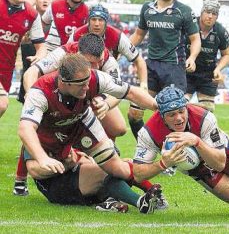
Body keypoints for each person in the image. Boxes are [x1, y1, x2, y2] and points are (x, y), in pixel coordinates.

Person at [18, 53, 162, 213]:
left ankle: (151, 192)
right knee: (102, 172)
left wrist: (160, 108)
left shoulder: (94, 78)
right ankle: (129, 199)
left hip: (81, 124)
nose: (87, 88)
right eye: (81, 84)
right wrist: (44, 158)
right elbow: (25, 129)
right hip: (51, 150)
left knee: (117, 167)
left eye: (88, 82)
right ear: (63, 82)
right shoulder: (40, 93)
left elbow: (131, 92)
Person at [133, 86, 229, 212]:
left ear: (186, 107)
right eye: (172, 115)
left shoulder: (204, 118)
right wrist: (163, 164)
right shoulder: (148, 133)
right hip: (199, 169)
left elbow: (220, 163)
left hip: (222, 153)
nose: (179, 118)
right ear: (161, 115)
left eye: (181, 111)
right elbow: (138, 174)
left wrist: (197, 142)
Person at [13, 33, 125, 196]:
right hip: (57, 97)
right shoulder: (63, 54)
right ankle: (20, 179)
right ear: (79, 55)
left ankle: (100, 155)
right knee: (35, 130)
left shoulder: (109, 62)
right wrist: (32, 94)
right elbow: (32, 72)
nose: (93, 68)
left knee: (119, 128)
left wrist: (106, 103)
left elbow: (120, 91)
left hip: (91, 96)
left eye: (97, 63)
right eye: (89, 63)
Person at [68, 4, 148, 140]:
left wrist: (144, 84)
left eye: (101, 20)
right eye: (93, 19)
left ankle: (108, 148)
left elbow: (139, 60)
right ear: (88, 20)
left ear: (106, 22)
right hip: (78, 85)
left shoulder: (117, 37)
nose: (97, 24)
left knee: (119, 128)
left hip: (104, 84)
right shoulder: (76, 35)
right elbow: (66, 63)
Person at [129, 0, 201, 138]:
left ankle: (186, 153)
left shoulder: (184, 11)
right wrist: (122, 49)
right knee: (134, 113)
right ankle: (146, 147)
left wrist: (192, 57)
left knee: (175, 115)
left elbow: (195, 39)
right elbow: (138, 34)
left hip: (174, 68)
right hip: (151, 67)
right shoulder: (147, 8)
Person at [25, 146, 162, 214]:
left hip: (76, 179)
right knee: (107, 169)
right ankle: (141, 203)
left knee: (121, 163)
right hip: (55, 186)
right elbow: (33, 170)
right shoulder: (37, 131)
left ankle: (108, 201)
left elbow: (83, 155)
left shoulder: (72, 121)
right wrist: (66, 165)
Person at [0, 0, 46, 119]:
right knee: (2, 103)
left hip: (6, 70)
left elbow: (42, 47)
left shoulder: (31, 14)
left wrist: (39, 56)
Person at [185, 0, 229, 112]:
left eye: (214, 13)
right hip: (186, 72)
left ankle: (192, 111)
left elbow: (227, 55)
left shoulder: (221, 32)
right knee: (180, 106)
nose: (210, 16)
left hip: (207, 74)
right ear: (201, 12)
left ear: (217, 16)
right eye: (207, 12)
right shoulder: (189, 25)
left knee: (208, 110)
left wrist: (218, 69)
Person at [18, 0, 52, 104]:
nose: (45, 1)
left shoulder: (55, 21)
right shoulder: (27, 16)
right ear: (35, 0)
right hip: (29, 70)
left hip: (48, 73)